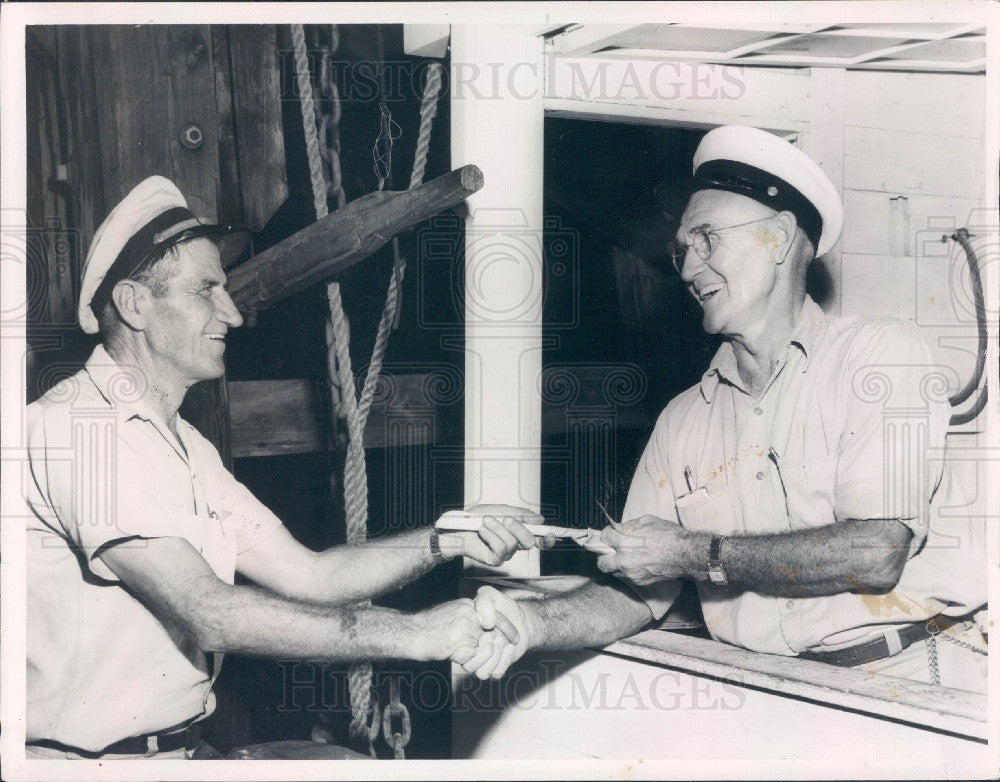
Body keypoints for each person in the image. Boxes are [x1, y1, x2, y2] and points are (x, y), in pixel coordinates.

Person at [25, 176, 548, 759]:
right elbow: (209, 614)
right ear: (134, 304)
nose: (234, 313)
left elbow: (312, 576)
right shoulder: (78, 428)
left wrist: (447, 537)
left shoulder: (184, 444)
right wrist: (419, 634)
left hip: (178, 752)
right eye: (206, 290)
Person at [462, 125, 988, 692]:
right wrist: (531, 624)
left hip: (913, 679)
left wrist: (692, 552)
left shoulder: (881, 357)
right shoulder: (683, 419)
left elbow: (877, 551)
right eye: (683, 250)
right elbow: (640, 593)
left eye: (709, 238)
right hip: (772, 690)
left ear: (781, 239)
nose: (688, 271)